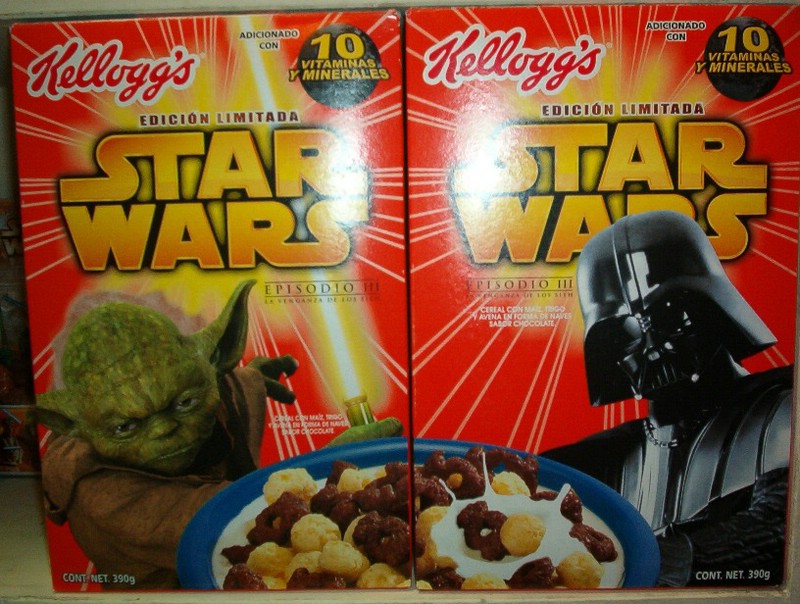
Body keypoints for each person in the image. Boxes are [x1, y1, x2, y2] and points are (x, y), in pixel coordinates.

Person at [542, 211, 793, 586]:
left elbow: (778, 533)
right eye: (627, 331)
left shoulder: (782, 415)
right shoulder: (601, 464)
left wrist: (650, 561)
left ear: (711, 307)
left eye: (671, 314)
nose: (653, 347)